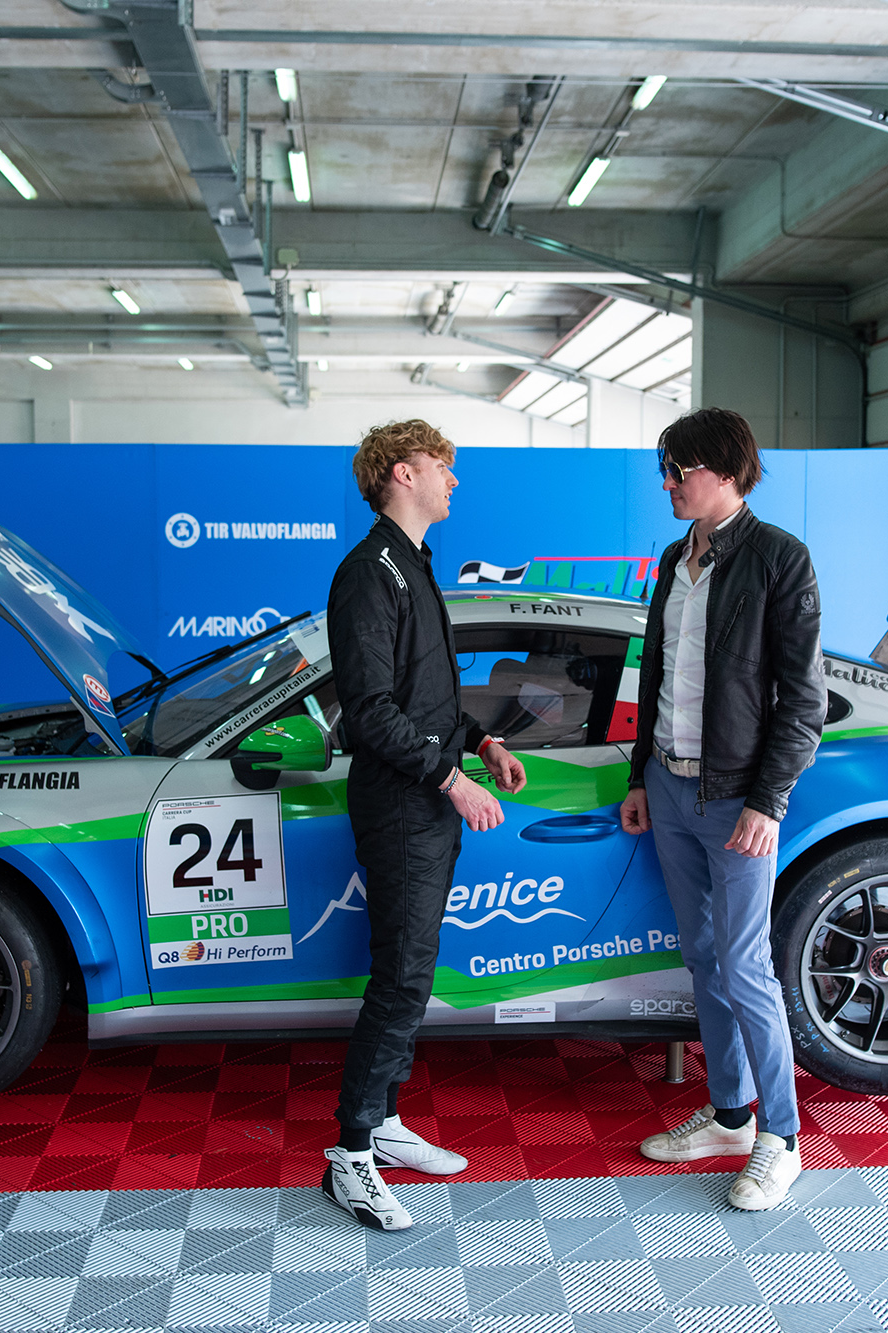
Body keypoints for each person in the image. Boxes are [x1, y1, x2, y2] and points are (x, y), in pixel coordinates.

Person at [619, 408, 827, 1211]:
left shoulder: (780, 557)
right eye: (665, 471)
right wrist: (640, 776)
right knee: (704, 959)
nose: (668, 484)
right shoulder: (676, 558)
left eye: (679, 471)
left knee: (746, 968)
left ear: (727, 472)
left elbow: (803, 700)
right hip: (669, 788)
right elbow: (656, 676)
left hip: (737, 798)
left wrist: (768, 801)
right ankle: (731, 1116)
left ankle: (783, 1138)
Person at [321, 420, 525, 1231]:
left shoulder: (414, 563)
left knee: (413, 970)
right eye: (445, 465)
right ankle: (349, 1155)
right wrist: (452, 779)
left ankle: (383, 1121)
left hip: (425, 803)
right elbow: (370, 712)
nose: (455, 480)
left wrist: (483, 740)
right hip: (404, 806)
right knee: (401, 977)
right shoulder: (368, 574)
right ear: (404, 473)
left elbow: (427, 699)